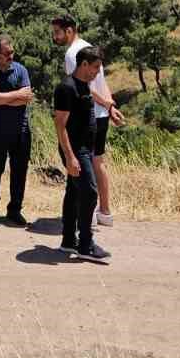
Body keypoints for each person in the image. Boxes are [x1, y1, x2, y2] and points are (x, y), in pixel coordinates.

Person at [52, 16, 124, 227]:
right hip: (101, 114)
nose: (54, 37)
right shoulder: (89, 48)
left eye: (57, 32)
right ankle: (105, 212)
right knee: (98, 162)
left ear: (69, 31)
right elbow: (103, 81)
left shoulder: (72, 53)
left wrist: (107, 105)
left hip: (88, 114)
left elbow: (85, 87)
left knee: (84, 164)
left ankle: (87, 215)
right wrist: (110, 106)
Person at [56, 46, 109, 262]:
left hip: (85, 148)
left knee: (74, 192)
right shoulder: (66, 88)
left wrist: (109, 108)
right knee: (89, 192)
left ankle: (69, 240)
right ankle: (85, 244)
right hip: (76, 150)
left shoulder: (84, 85)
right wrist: (70, 156)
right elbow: (60, 125)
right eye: (95, 67)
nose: (97, 72)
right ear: (84, 64)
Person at [0, 35, 34, 227]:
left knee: (19, 171)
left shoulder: (21, 70)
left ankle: (15, 209)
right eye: (6, 53)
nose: (11, 55)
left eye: (12, 52)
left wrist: (4, 98)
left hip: (20, 130)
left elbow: (26, 98)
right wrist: (15, 95)